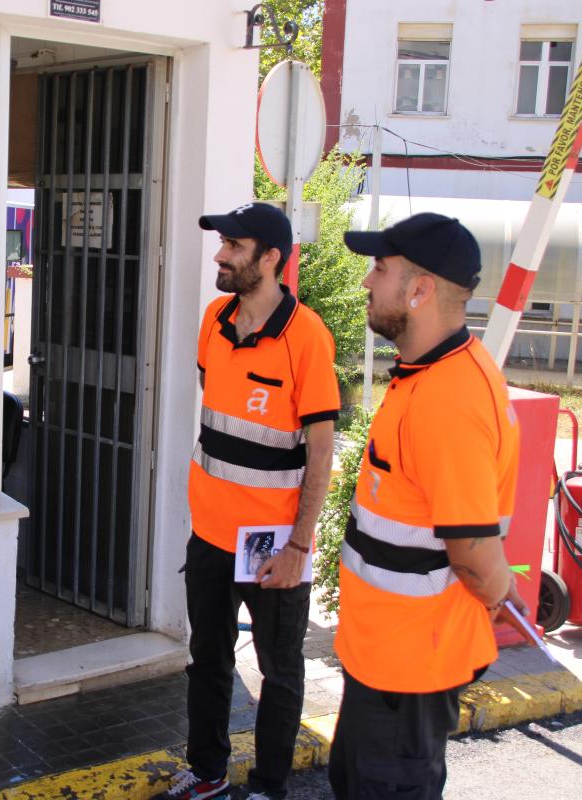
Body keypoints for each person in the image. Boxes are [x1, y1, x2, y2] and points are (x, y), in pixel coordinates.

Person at [328, 213, 525, 799]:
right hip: (386, 661)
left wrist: (496, 590)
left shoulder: (448, 399)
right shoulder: (427, 375)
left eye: (379, 268)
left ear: (419, 290)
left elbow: (473, 554)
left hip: (410, 670)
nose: (367, 281)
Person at [154, 203, 340, 800]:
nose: (220, 254)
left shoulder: (307, 337)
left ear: (271, 258)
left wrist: (298, 547)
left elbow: (321, 451)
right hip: (210, 535)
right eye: (223, 244)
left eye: (234, 246)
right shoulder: (215, 319)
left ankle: (268, 787)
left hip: (273, 545)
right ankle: (208, 772)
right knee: (207, 660)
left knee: (279, 672)